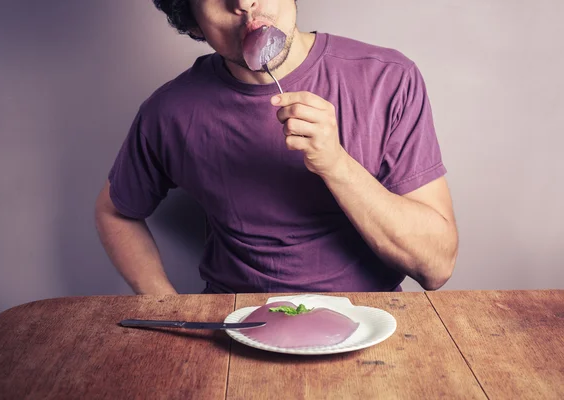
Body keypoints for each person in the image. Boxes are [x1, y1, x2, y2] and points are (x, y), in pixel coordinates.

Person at [94, 0, 459, 295]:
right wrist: (163, 304)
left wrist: (336, 164)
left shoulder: (389, 78)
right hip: (234, 328)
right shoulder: (170, 110)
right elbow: (114, 212)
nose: (244, 3)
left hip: (370, 323)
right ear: (193, 24)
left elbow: (436, 267)